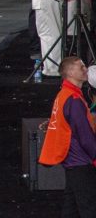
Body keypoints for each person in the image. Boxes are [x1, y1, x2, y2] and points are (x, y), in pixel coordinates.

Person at [38, 56, 96, 217]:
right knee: (88, 206)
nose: (86, 70)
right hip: (81, 160)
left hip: (71, 158)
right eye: (82, 67)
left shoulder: (64, 95)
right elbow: (84, 135)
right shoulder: (73, 99)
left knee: (72, 206)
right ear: (70, 72)